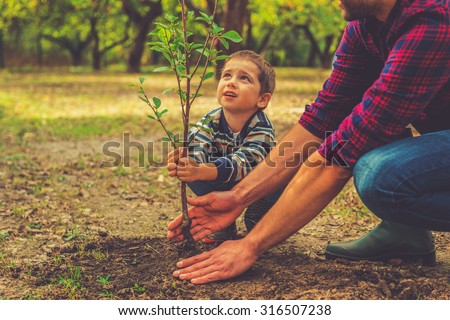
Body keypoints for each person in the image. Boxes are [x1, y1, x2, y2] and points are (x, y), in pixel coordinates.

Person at [167, 0, 450, 284]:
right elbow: (322, 118)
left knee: (381, 175)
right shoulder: (363, 27)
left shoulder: (432, 19)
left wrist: (250, 245)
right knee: (372, 134)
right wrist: (239, 196)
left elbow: (343, 152)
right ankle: (405, 232)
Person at [167, 50, 284, 242]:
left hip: (259, 185)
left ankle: (262, 213)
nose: (231, 82)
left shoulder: (261, 126)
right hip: (224, 179)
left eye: (244, 78)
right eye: (226, 75)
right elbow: (197, 143)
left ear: (262, 99)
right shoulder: (211, 119)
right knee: (194, 173)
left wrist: (205, 170)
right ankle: (224, 223)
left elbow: (246, 161)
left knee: (282, 174)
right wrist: (188, 163)